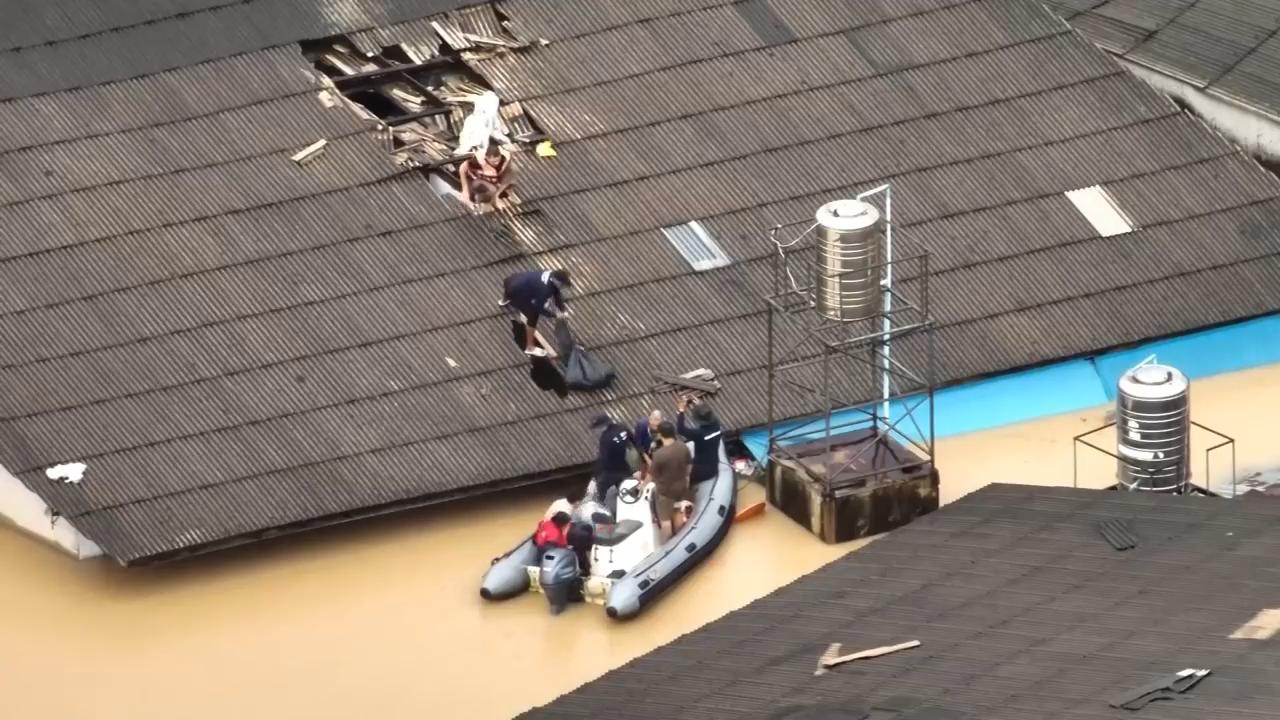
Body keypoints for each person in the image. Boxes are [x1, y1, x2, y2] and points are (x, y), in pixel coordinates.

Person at [500, 269, 572, 356]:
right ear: (556, 281)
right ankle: (530, 347)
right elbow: (539, 307)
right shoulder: (545, 289)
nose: (563, 287)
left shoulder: (550, 274)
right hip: (514, 292)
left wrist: (562, 310)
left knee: (517, 287)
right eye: (562, 285)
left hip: (511, 280)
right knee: (533, 316)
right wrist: (554, 315)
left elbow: (556, 293)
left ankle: (504, 300)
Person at [647, 421, 692, 539]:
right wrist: (686, 480)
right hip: (681, 487)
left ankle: (668, 543)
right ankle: (680, 538)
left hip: (665, 493)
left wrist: (642, 487)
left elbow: (652, 475)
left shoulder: (659, 455)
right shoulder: (683, 446)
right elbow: (689, 465)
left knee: (665, 520)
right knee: (678, 512)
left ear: (660, 435)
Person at [590, 414, 638, 516]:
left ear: (603, 426)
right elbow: (635, 443)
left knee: (599, 496)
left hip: (610, 471)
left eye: (596, 428)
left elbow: (603, 458)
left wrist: (596, 475)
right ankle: (633, 512)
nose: (596, 431)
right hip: (625, 468)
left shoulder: (605, 438)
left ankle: (602, 515)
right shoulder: (622, 428)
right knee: (630, 492)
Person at [677, 398, 723, 485]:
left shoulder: (698, 434)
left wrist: (681, 411)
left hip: (700, 472)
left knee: (677, 472)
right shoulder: (717, 426)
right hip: (713, 467)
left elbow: (680, 429)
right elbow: (709, 415)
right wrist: (701, 406)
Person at [458, 142, 513, 207]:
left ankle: (493, 199)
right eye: (494, 162)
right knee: (491, 190)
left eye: (498, 160)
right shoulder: (477, 161)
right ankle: (479, 200)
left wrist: (498, 193)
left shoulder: (504, 159)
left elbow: (507, 177)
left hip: (493, 181)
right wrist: (465, 190)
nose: (496, 163)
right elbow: (462, 168)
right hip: (476, 180)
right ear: (487, 158)